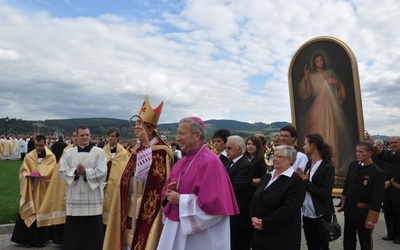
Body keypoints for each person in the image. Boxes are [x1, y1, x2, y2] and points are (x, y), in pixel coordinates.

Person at [103, 95, 174, 250]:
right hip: (130, 199)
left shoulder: (162, 152)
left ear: (150, 129)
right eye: (136, 128)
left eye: (140, 128)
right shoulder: (137, 148)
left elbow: (158, 177)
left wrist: (147, 145)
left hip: (146, 203)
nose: (136, 132)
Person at [157, 116, 239, 250]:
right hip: (175, 227)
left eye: (182, 133)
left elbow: (214, 206)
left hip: (200, 236)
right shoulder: (181, 162)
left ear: (197, 135)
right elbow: (166, 195)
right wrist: (168, 194)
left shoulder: (210, 162)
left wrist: (181, 200)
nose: (177, 138)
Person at [297, 51, 354, 175]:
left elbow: (339, 87)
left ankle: (333, 162)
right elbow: (304, 92)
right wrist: (306, 76)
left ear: (324, 61)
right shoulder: (311, 76)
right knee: (319, 130)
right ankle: (317, 162)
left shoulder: (330, 73)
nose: (319, 63)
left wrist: (336, 82)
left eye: (321, 60)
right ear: (314, 63)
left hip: (330, 106)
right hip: (318, 106)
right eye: (317, 61)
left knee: (331, 130)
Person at [59, 125, 107, 250]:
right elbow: (62, 171)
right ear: (76, 137)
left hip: (93, 197)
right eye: (82, 135)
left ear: (90, 136)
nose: (85, 137)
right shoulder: (68, 153)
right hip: (74, 197)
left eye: (87, 135)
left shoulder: (99, 152)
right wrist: (76, 172)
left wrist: (86, 172)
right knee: (74, 230)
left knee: (93, 229)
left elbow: (102, 172)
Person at [250, 145, 306, 250]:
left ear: (289, 160)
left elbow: (289, 209)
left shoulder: (295, 181)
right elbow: (255, 199)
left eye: (279, 157)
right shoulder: (267, 177)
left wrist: (265, 224)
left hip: (281, 238)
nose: (274, 159)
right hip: (259, 236)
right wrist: (253, 217)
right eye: (273, 156)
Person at [11, 135, 57, 247]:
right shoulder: (29, 156)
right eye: (36, 145)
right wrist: (27, 175)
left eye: (40, 145)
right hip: (31, 188)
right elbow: (23, 171)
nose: (38, 148)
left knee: (41, 211)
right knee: (30, 209)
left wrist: (43, 175)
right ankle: (25, 239)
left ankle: (40, 239)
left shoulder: (51, 157)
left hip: (43, 190)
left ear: (45, 144)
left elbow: (54, 173)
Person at [339, 141, 385, 250]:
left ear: (369, 153)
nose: (357, 154)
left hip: (363, 214)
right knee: (348, 241)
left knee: (365, 243)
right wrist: (343, 202)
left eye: (361, 151)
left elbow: (377, 198)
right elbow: (347, 186)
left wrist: (371, 219)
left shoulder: (377, 172)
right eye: (356, 151)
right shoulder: (353, 165)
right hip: (350, 210)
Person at [296, 133, 335, 250]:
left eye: (305, 144)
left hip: (320, 213)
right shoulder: (309, 163)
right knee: (310, 244)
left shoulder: (327, 167)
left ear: (312, 145)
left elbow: (324, 193)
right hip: (307, 213)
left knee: (321, 246)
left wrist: (304, 180)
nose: (303, 147)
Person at [224, 135, 254, 250]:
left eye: (229, 148)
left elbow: (235, 187)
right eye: (226, 148)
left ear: (239, 149)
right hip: (228, 211)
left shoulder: (245, 166)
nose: (226, 151)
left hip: (238, 214)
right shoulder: (227, 164)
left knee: (239, 244)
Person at [370, 135, 400, 244]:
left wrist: (390, 182)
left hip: (397, 189)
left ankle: (399, 235)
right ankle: (391, 233)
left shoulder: (396, 156)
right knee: (388, 211)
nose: (393, 144)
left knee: (398, 213)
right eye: (391, 142)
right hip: (388, 190)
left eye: (395, 142)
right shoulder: (390, 155)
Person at [102, 128, 129, 226]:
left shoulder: (123, 153)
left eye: (113, 136)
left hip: (115, 184)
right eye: (109, 136)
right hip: (103, 184)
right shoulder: (103, 151)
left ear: (117, 138)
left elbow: (124, 169)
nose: (110, 138)